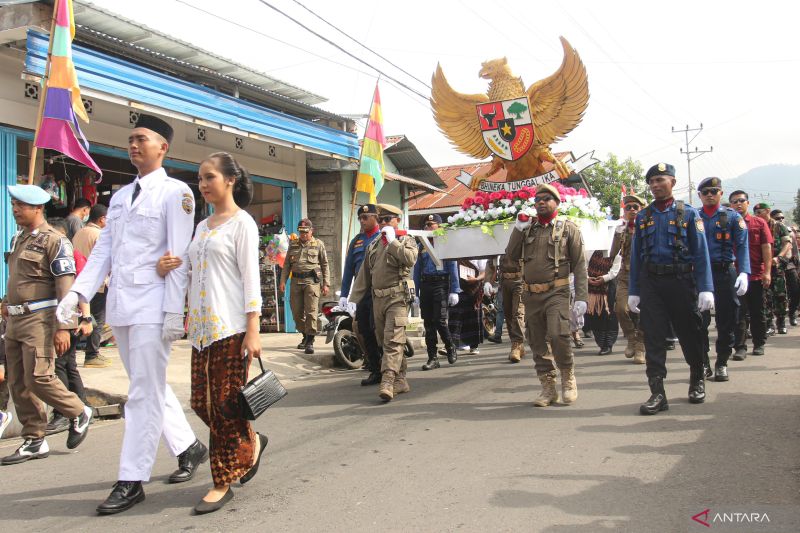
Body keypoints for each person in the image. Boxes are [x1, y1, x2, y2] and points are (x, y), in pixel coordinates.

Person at [57, 114, 207, 515]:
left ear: (163, 148)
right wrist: (78, 292)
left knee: (141, 392)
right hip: (123, 306)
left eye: (142, 139)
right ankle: (189, 446)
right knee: (148, 383)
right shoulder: (121, 197)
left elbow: (177, 256)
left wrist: (176, 311)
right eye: (130, 139)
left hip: (154, 307)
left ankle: (132, 478)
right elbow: (103, 252)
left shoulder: (178, 194)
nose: (134, 144)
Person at [156, 152, 267, 514]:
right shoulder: (202, 227)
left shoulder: (243, 224)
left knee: (223, 407)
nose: (203, 185)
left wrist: (254, 329)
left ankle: (222, 481)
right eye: (200, 179)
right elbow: (190, 268)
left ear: (230, 180)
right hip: (201, 331)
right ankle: (250, 441)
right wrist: (170, 264)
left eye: (209, 177)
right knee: (201, 404)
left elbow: (251, 278)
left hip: (232, 328)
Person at [1, 185, 93, 465]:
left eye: (21, 205)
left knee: (39, 376)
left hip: (40, 319)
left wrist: (64, 326)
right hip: (15, 319)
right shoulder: (20, 238)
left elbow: (65, 285)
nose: (15, 209)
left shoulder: (55, 241)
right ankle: (34, 439)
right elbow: (17, 277)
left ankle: (78, 410)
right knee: (19, 382)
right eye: (14, 204)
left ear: (38, 208)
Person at [628, 163, 714, 415]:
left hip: (681, 281)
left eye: (660, 180)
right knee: (653, 336)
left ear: (673, 182)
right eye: (652, 181)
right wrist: (634, 289)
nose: (655, 185)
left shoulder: (688, 214)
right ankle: (657, 392)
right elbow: (636, 256)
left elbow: (701, 253)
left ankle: (697, 378)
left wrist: (705, 288)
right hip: (652, 283)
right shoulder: (644, 216)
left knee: (690, 333)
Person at [506, 183, 588, 407]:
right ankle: (548, 387)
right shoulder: (527, 229)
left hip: (557, 292)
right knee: (537, 341)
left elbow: (580, 265)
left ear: (557, 203)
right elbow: (510, 256)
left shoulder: (568, 228)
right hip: (531, 294)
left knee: (558, 334)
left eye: (546, 199)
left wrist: (582, 297)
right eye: (537, 199)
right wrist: (517, 229)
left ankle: (567, 376)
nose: (540, 202)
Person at [349, 204, 418, 402]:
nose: (384, 223)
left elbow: (410, 259)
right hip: (378, 299)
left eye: (389, 219)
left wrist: (393, 242)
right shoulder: (372, 245)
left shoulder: (406, 240)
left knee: (393, 340)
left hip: (397, 297)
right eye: (381, 220)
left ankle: (387, 381)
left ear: (398, 219)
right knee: (384, 340)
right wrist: (353, 300)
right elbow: (364, 275)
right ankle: (401, 379)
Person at [695, 178, 750, 383]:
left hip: (724, 273)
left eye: (714, 191)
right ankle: (702, 363)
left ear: (720, 194)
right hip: (698, 274)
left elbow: (742, 246)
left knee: (727, 320)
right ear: (699, 195)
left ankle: (722, 363)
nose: (709, 194)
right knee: (698, 321)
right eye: (705, 191)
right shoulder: (693, 217)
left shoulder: (733, 218)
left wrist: (744, 272)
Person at [42, 218, 94, 436]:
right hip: (65, 316)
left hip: (69, 317)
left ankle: (67, 413)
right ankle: (80, 408)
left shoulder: (69, 254)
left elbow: (81, 287)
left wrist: (87, 318)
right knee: (68, 364)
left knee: (61, 365)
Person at [340, 204, 383, 385]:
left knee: (380, 331)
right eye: (360, 218)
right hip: (362, 293)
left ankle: (390, 368)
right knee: (365, 331)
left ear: (375, 218)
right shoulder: (356, 241)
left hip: (381, 292)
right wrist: (344, 295)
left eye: (366, 217)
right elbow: (349, 269)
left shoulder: (384, 237)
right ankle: (375, 369)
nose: (362, 221)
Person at [412, 214, 458, 370]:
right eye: (426, 225)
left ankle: (450, 346)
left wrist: (455, 290)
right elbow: (417, 272)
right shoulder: (421, 246)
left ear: (439, 226)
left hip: (440, 284)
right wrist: (415, 294)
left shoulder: (445, 243)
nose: (428, 227)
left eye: (431, 224)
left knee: (439, 319)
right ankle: (432, 358)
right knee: (428, 323)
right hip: (426, 284)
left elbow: (452, 267)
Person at [730, 191, 773, 358]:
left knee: (757, 311)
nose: (738, 204)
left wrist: (767, 272)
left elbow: (766, 248)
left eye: (741, 200)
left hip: (755, 275)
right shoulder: (727, 223)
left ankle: (759, 343)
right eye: (734, 201)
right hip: (735, 275)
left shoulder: (759, 223)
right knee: (738, 313)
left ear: (747, 203)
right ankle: (740, 347)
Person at [279, 219, 330, 355]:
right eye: (301, 232)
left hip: (311, 282)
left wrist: (326, 283)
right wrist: (283, 281)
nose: (303, 235)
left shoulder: (318, 244)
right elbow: (286, 265)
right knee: (296, 313)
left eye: (306, 232)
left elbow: (325, 265)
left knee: (311, 312)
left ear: (311, 231)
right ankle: (305, 335)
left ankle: (310, 341)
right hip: (295, 282)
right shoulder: (293, 244)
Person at [72, 203, 111, 368]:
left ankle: (74, 353)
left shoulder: (79, 233)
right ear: (102, 219)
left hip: (79, 282)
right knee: (97, 319)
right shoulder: (99, 235)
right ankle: (92, 354)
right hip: (97, 283)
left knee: (81, 318)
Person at [609, 194, 646, 364]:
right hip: (625, 275)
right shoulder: (622, 230)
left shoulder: (647, 227)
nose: (631, 210)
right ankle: (632, 338)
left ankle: (640, 347)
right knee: (620, 309)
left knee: (644, 313)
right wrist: (617, 235)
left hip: (644, 275)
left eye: (635, 207)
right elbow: (612, 254)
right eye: (628, 207)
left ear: (641, 210)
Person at [484, 254, 526, 363]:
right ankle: (517, 344)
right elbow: (491, 259)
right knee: (508, 315)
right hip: (504, 281)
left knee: (517, 313)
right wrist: (488, 281)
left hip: (521, 279)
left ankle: (516, 345)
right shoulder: (499, 237)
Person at [761, 208, 792, 334]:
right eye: (756, 212)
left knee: (780, 295)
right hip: (763, 266)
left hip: (777, 265)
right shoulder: (758, 225)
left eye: (761, 212)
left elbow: (787, 244)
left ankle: (781, 322)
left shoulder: (779, 226)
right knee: (766, 296)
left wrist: (778, 257)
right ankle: (769, 324)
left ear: (767, 211)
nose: (759, 215)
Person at [586, 251, 621, 355]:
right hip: (592, 288)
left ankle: (608, 344)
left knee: (609, 314)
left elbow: (615, 270)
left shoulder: (615, 250)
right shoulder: (589, 250)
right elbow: (582, 265)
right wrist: (588, 278)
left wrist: (604, 278)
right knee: (595, 314)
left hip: (608, 286)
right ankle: (601, 343)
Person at [449, 259, 486, 354]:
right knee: (455, 317)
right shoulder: (455, 252)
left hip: (474, 288)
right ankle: (450, 346)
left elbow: (484, 272)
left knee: (473, 317)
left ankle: (474, 346)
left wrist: (476, 279)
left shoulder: (478, 253)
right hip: (458, 288)